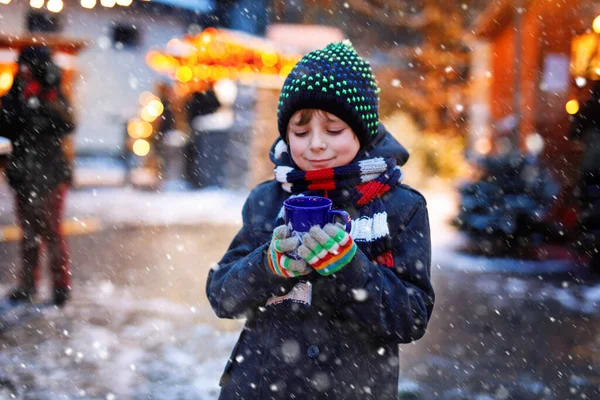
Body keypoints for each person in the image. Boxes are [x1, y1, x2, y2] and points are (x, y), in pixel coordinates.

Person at [206, 41, 435, 399]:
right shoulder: (266, 200)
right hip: (261, 387)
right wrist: (268, 266)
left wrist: (348, 269)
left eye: (333, 130)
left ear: (361, 131)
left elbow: (411, 317)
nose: (315, 145)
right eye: (300, 132)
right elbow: (223, 296)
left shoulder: (399, 208)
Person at [0, 45, 75, 306]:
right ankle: (28, 285)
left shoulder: (52, 92)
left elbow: (68, 123)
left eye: (27, 66)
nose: (23, 71)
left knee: (52, 232)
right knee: (29, 234)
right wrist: (22, 105)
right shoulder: (15, 93)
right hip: (23, 173)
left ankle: (60, 287)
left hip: (51, 174)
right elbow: (5, 124)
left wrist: (42, 102)